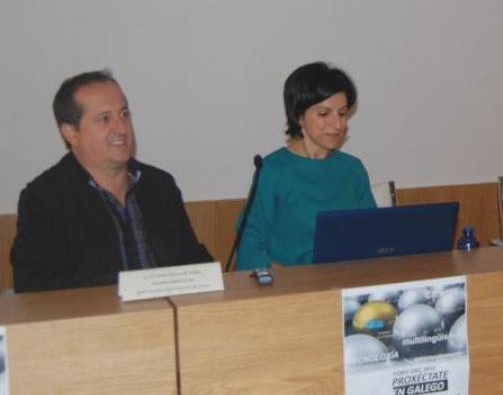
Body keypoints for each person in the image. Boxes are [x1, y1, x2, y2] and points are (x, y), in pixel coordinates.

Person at [11, 70, 212, 293]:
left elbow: (194, 263)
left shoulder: (159, 185)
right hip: (94, 324)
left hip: (171, 321)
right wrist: (126, 288)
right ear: (71, 133)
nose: (121, 128)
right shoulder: (45, 198)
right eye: (104, 119)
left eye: (124, 114)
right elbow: (34, 287)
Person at [236, 62, 376, 269]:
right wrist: (292, 282)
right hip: (292, 290)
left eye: (342, 113)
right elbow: (250, 247)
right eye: (323, 114)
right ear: (298, 116)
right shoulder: (273, 170)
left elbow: (373, 237)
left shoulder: (353, 169)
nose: (338, 124)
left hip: (348, 283)